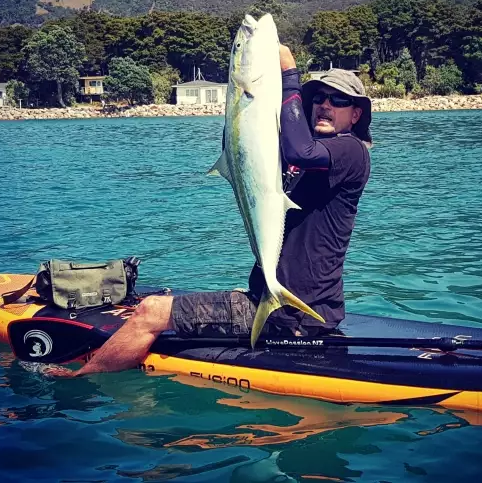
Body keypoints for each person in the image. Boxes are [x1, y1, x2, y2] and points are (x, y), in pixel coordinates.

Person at [48, 46, 372, 376]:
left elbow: (300, 150)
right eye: (319, 98)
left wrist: (290, 74)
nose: (326, 106)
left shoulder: (350, 151)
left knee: (150, 311)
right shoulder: (310, 159)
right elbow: (242, 150)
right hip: (295, 305)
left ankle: (79, 378)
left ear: (356, 114)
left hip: (289, 312)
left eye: (339, 101)